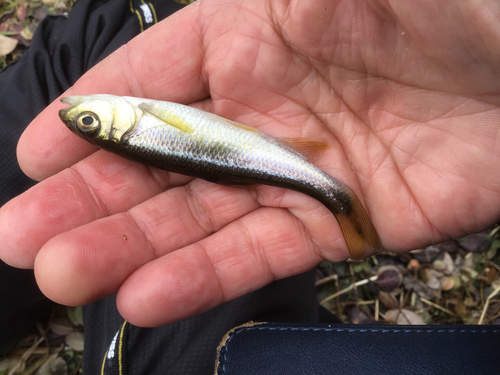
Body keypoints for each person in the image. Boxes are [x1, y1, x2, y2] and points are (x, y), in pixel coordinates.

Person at [1, 0, 499, 373]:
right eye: (89, 119)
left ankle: (347, 216)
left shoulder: (131, 117)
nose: (80, 111)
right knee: (110, 24)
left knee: (95, 31)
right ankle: (345, 212)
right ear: (113, 124)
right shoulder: (134, 116)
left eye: (87, 119)